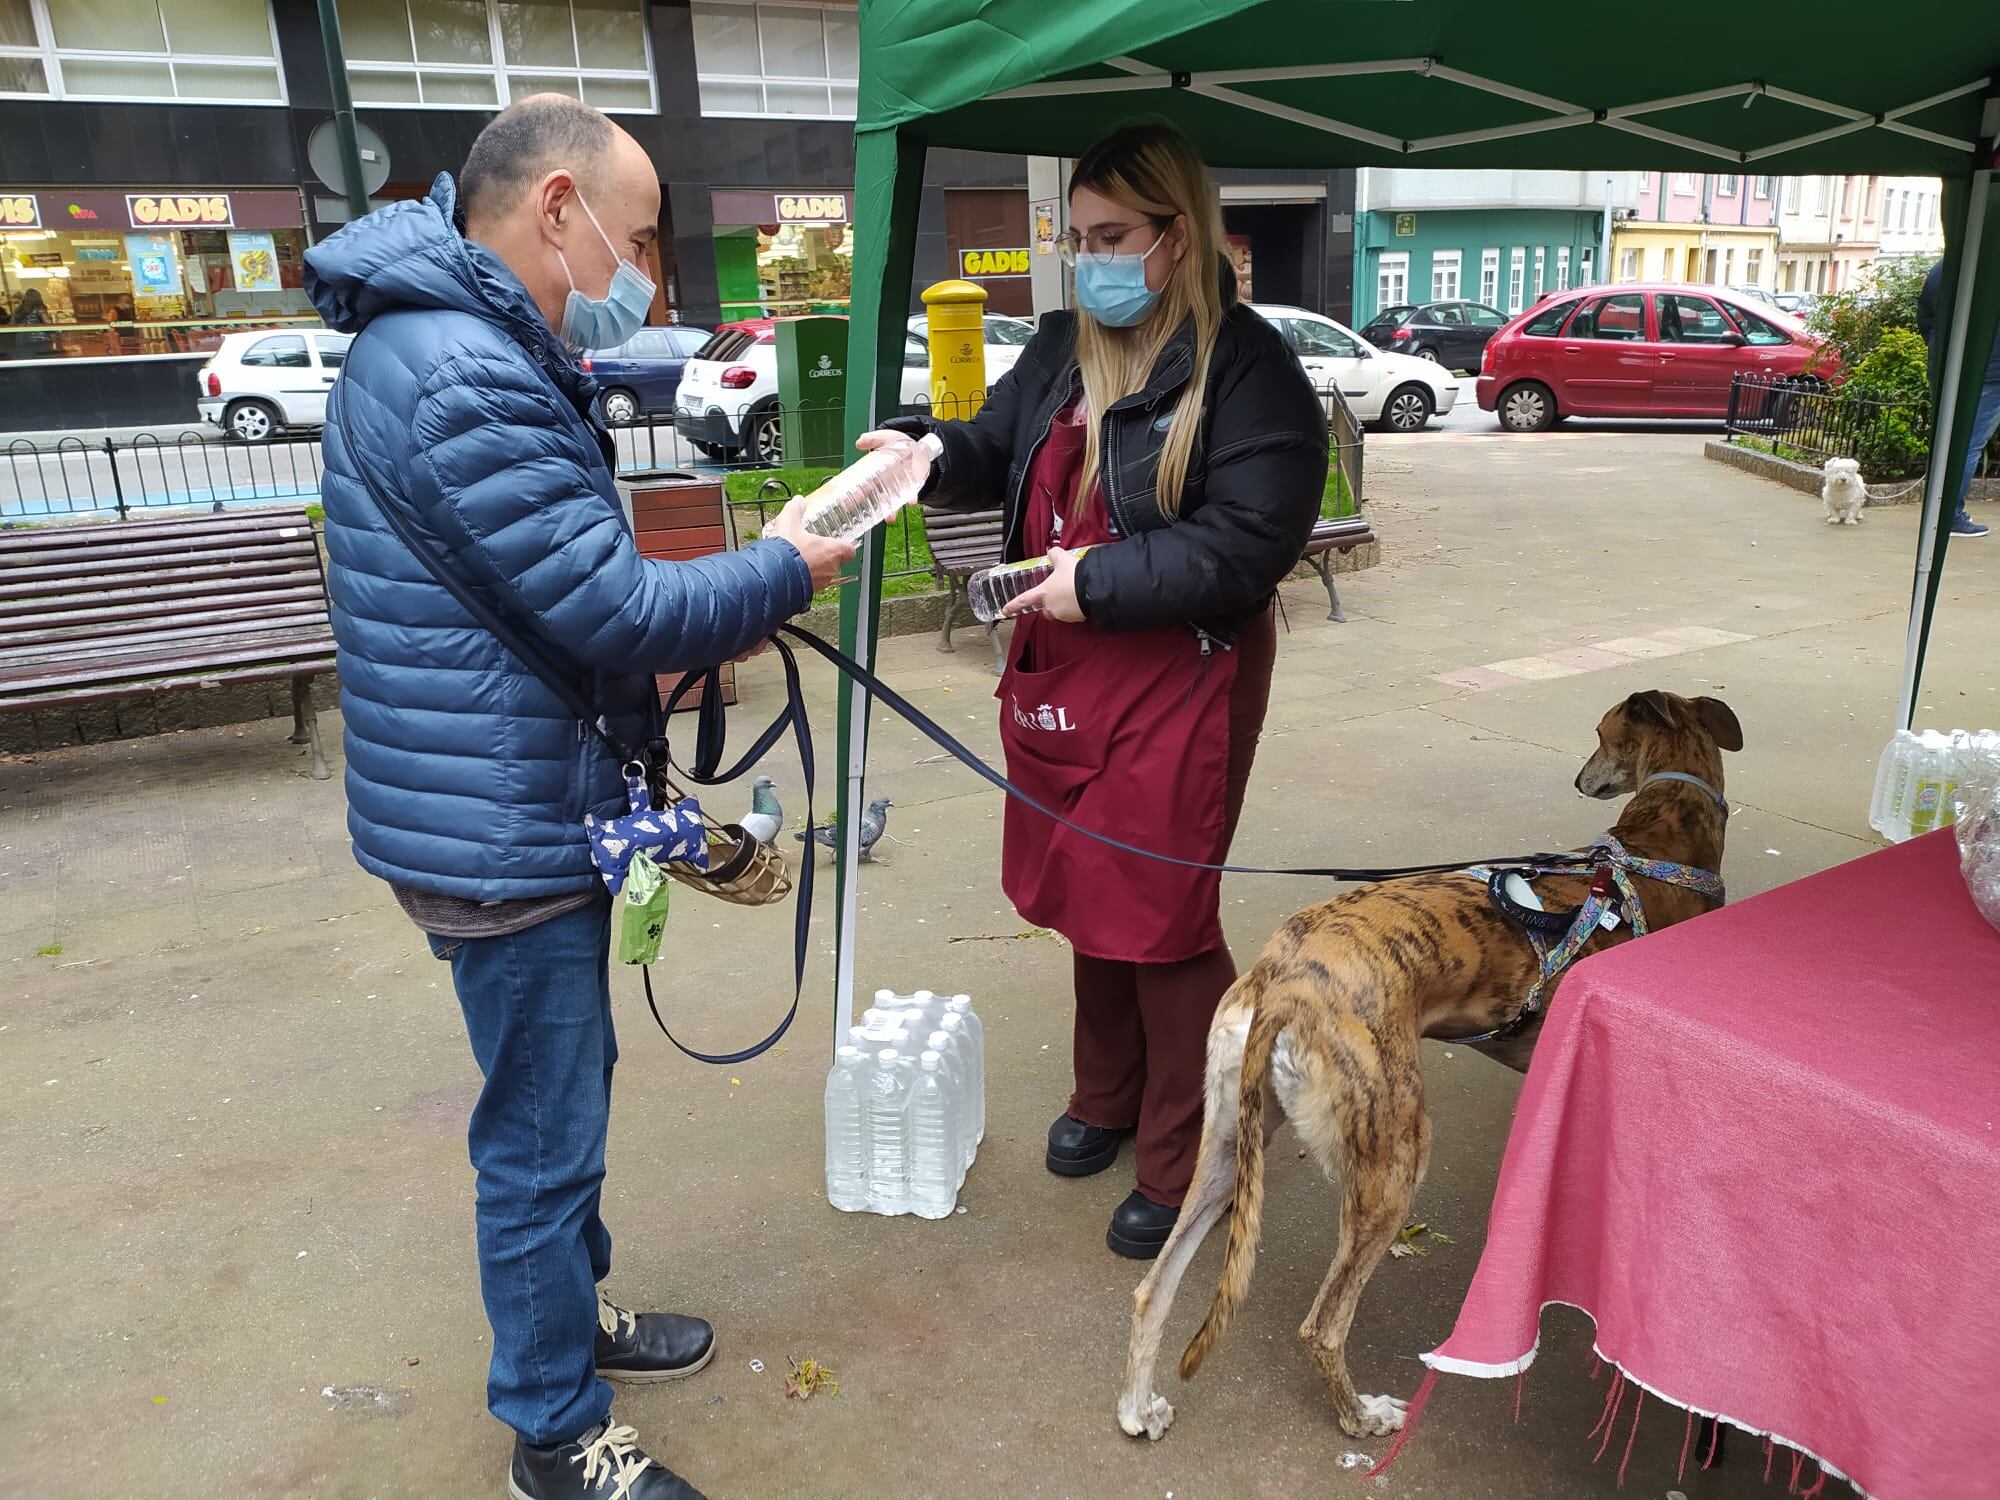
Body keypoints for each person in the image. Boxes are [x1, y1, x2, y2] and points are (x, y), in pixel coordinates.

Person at [304, 96, 851, 1500]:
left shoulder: (451, 342)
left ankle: (572, 1319)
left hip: (503, 800)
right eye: (643, 232)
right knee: (544, 1135)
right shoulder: (459, 370)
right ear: (560, 208)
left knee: (569, 1091)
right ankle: (553, 1430)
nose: (649, 272)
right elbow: (611, 607)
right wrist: (788, 562)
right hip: (498, 826)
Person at [866, 122, 1326, 1259]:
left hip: (1179, 666)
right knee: (1085, 888)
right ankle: (1106, 1095)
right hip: (1062, 657)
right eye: (1077, 239)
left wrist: (1102, 581)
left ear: (1179, 235)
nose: (1091, 261)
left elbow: (1245, 544)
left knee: (1159, 917)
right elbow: (997, 441)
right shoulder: (1066, 344)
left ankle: (1187, 1154)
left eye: (1112, 236)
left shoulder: (1249, 370)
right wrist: (925, 451)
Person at [1917, 258, 1994, 538]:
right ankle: (1949, 516)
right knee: (1968, 443)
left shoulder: (1946, 264)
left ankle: (1940, 510)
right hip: (1988, 370)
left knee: (1949, 439)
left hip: (1946, 365)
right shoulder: (1989, 265)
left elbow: (1924, 314)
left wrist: (1939, 347)